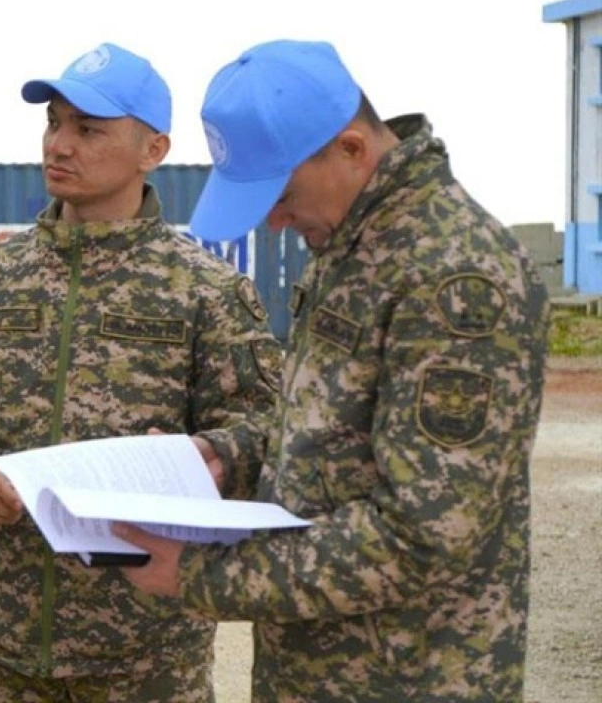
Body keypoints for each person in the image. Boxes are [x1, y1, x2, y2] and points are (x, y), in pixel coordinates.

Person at [113, 39, 551, 702]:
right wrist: (222, 456)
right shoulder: (352, 240)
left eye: (281, 194)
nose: (275, 221)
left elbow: (420, 535)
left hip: (408, 676)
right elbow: (325, 428)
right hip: (318, 668)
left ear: (351, 149)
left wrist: (199, 577)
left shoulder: (455, 276)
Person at [0, 42, 281, 702]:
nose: (59, 144)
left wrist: (210, 456)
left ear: (153, 150)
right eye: (53, 123)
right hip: (5, 635)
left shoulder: (205, 289)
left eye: (88, 129)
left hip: (149, 645)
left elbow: (266, 426)